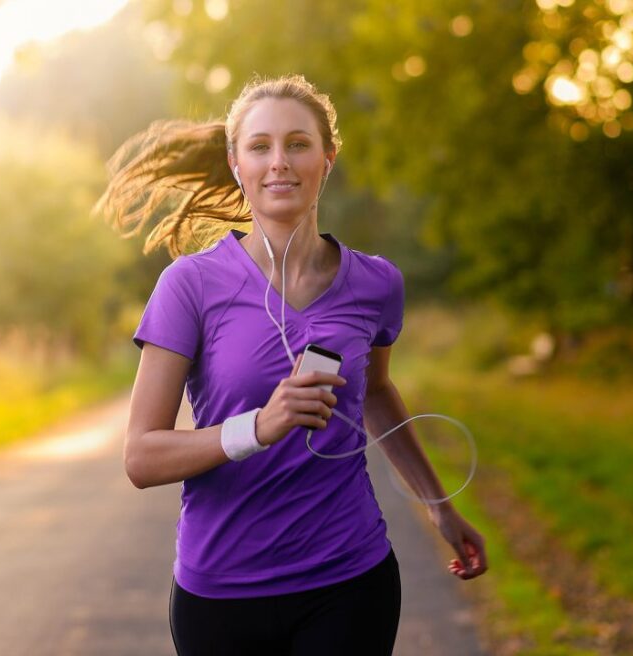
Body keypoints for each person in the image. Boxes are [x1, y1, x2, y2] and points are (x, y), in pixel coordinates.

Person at [96, 74, 488, 655]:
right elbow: (141, 457)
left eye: (298, 143)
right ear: (236, 164)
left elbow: (375, 392)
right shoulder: (190, 285)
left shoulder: (377, 283)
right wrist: (258, 427)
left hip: (349, 580)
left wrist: (439, 507)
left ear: (327, 158)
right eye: (260, 146)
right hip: (222, 592)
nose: (279, 161)